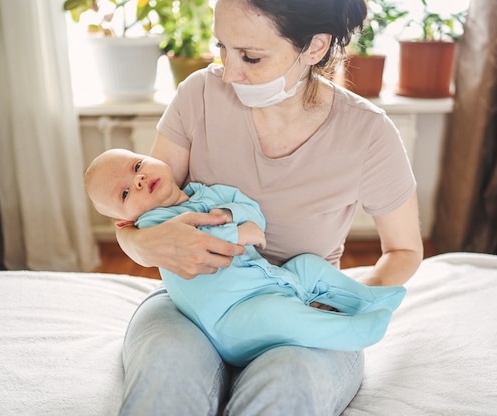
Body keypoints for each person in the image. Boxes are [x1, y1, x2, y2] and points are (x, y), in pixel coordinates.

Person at [115, 0, 424, 414]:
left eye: (251, 57)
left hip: (297, 312)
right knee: (164, 370)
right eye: (222, 47)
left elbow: (404, 250)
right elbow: (135, 217)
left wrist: (340, 305)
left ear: (315, 48)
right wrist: (143, 247)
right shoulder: (199, 95)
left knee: (285, 388)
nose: (228, 71)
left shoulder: (368, 133)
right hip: (196, 303)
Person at [85, 148, 407, 367]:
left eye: (137, 166)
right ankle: (354, 332)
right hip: (233, 316)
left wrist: (232, 213)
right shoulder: (154, 223)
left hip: (272, 280)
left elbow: (252, 212)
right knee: (280, 315)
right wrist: (238, 232)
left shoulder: (207, 193)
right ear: (124, 222)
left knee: (308, 265)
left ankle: (366, 299)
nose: (138, 180)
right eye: (125, 193)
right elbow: (197, 243)